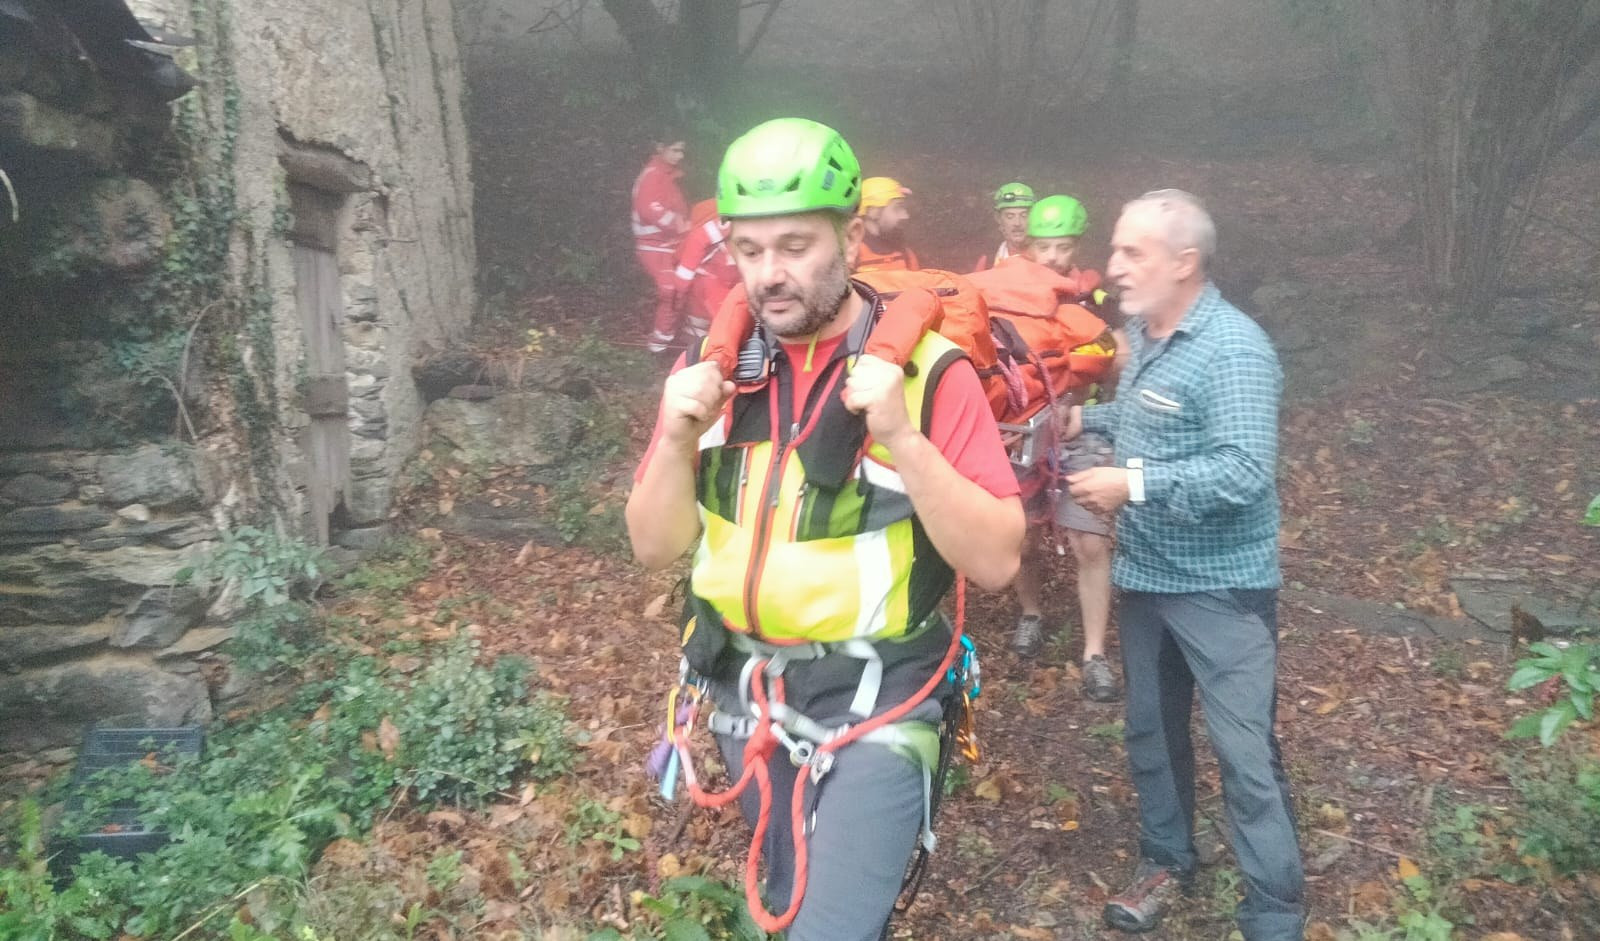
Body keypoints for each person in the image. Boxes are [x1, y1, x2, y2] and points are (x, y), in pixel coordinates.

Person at [626, 118, 1024, 941]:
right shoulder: (716, 368)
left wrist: (904, 438)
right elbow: (652, 544)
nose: (769, 274)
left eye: (796, 244)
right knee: (790, 896)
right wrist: (673, 436)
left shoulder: (927, 372)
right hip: (750, 698)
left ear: (848, 234)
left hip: (882, 703)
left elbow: (996, 559)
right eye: (748, 250)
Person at [1063, 189, 1303, 939]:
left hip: (1222, 589)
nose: (1113, 266)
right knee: (1149, 731)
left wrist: (1129, 484)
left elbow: (1242, 471)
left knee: (1244, 754)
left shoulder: (1233, 348)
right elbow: (1148, 425)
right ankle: (1167, 858)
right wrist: (1085, 418)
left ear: (1185, 262)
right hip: (1147, 581)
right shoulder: (1145, 335)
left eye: (1133, 252)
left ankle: (1274, 910)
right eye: (1115, 250)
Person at [1007, 195, 1125, 706]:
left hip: (1083, 427)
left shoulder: (1094, 299)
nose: (1054, 257)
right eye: (1044, 246)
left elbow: (1118, 356)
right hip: (1025, 426)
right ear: (1029, 246)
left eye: (1063, 246)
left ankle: (1094, 653)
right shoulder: (1011, 297)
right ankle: (1031, 614)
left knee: (1091, 542)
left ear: (1077, 246)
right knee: (1021, 537)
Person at [632, 131, 690, 353]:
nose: (680, 155)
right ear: (660, 147)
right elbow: (649, 208)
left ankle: (669, 340)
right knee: (670, 290)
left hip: (668, 244)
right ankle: (658, 347)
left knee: (680, 289)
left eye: (682, 150)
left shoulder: (667, 176)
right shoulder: (653, 175)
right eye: (675, 150)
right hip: (654, 245)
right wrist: (676, 224)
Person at [671, 198, 740, 345]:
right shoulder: (722, 223)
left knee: (720, 317)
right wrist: (681, 285)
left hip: (724, 278)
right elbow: (696, 245)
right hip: (710, 279)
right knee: (724, 319)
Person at [855, 176, 920, 272]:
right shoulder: (850, 256)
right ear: (873, 212)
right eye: (897, 208)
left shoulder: (906, 255)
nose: (905, 216)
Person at [973, 181, 1035, 271]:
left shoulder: (1045, 259)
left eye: (1024, 215)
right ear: (998, 218)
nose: (1017, 223)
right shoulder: (987, 263)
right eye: (1010, 216)